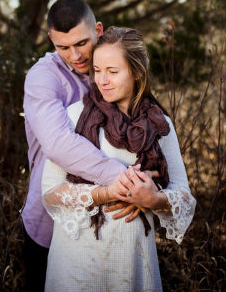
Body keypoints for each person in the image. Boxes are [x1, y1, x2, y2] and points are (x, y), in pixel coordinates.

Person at [41, 27, 196, 291]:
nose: (102, 80)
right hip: (76, 262)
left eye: (112, 72)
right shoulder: (73, 117)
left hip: (130, 261)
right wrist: (106, 192)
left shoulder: (160, 124)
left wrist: (153, 199)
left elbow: (185, 197)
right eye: (97, 70)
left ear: (136, 72)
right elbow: (50, 192)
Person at [22, 0, 141, 291]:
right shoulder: (42, 78)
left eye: (81, 43)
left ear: (98, 30)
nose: (75, 55)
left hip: (113, 225)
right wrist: (126, 180)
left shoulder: (113, 69)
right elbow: (60, 144)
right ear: (51, 39)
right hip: (50, 223)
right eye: (63, 47)